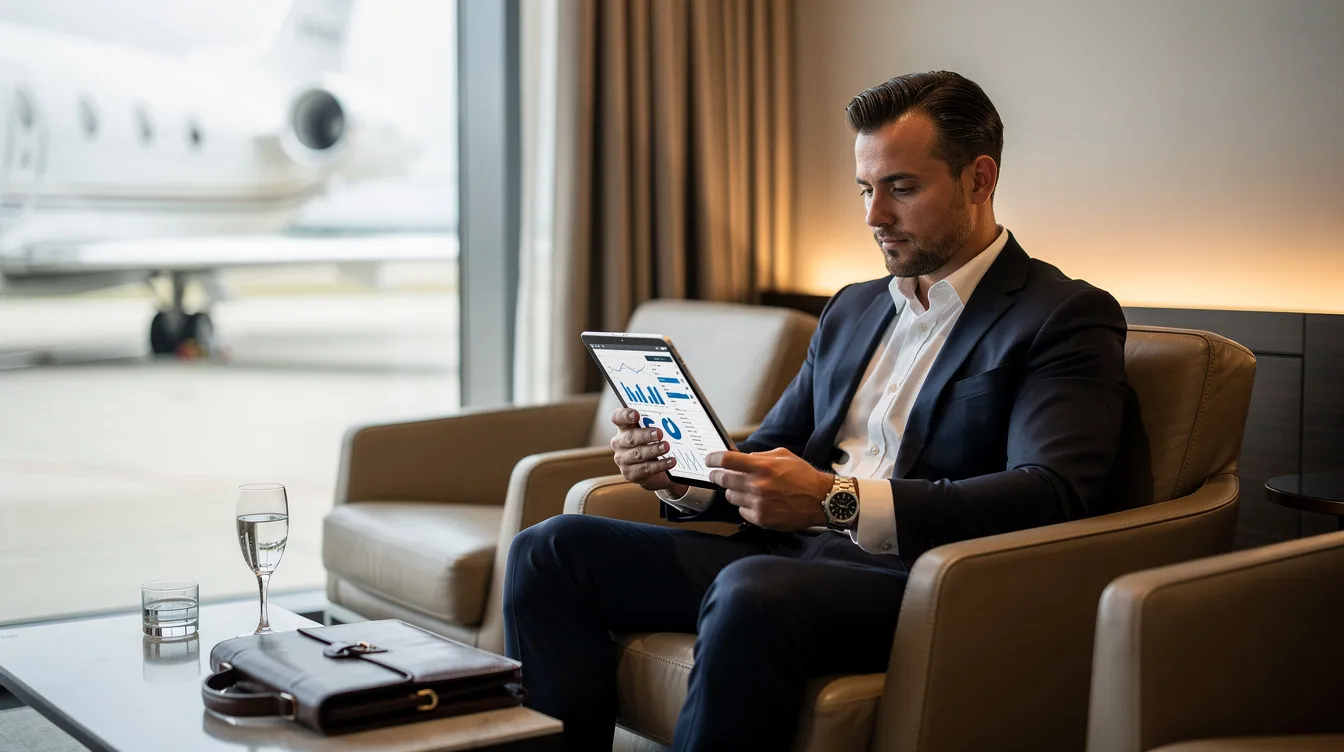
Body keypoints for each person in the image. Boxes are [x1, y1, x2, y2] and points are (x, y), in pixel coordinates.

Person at [503, 70, 1151, 751]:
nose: (875, 216)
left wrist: (835, 501)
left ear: (979, 180)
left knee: (754, 587)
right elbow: (772, 454)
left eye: (902, 188)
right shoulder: (852, 308)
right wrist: (681, 479)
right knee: (549, 549)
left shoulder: (1061, 315)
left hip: (917, 581)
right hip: (782, 559)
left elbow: (1051, 495)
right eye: (867, 190)